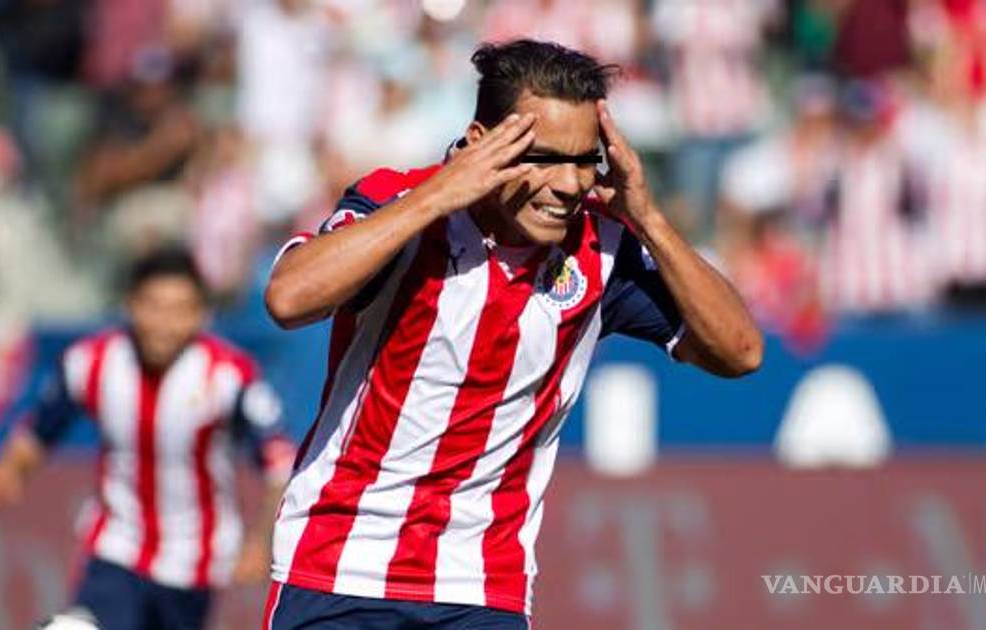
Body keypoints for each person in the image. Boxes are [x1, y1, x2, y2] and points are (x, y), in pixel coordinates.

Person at [262, 39, 762, 628]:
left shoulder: (604, 249)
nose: (569, 184)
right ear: (482, 143)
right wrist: (439, 195)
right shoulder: (397, 203)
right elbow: (289, 298)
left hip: (482, 586)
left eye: (584, 161)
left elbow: (741, 351)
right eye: (543, 158)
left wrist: (647, 217)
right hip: (336, 569)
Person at [0, 247, 293, 630]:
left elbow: (278, 463)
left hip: (193, 563)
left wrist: (261, 540)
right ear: (131, 305)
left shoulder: (228, 376)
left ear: (200, 315)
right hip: (117, 547)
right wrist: (11, 469)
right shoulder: (92, 362)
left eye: (179, 310)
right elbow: (42, 429)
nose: (164, 323)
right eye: (153, 306)